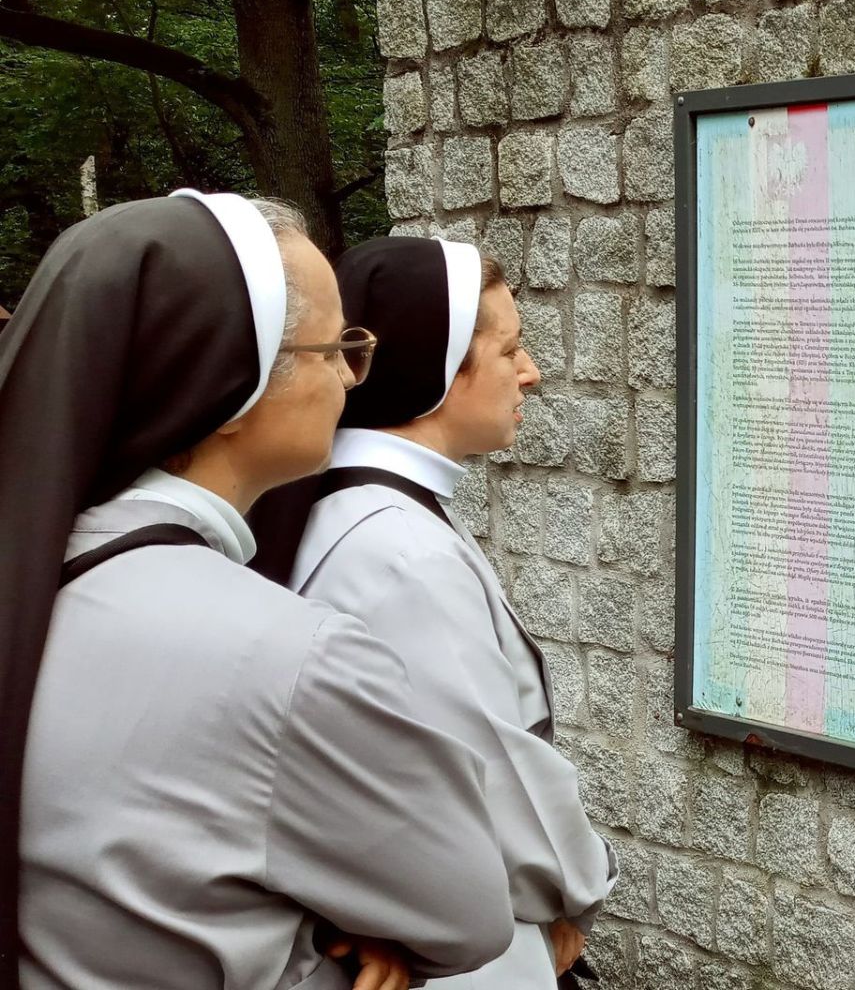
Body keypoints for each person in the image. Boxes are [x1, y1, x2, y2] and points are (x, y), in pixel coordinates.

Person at [0, 192, 516, 990]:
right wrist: (336, 922)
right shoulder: (291, 652)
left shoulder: (33, 578)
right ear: (233, 385)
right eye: (335, 348)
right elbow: (467, 914)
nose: (349, 376)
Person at [251, 236, 616, 986]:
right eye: (509, 349)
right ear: (438, 369)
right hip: (467, 949)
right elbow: (489, 777)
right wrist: (572, 895)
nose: (531, 371)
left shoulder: (360, 512)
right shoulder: (400, 551)